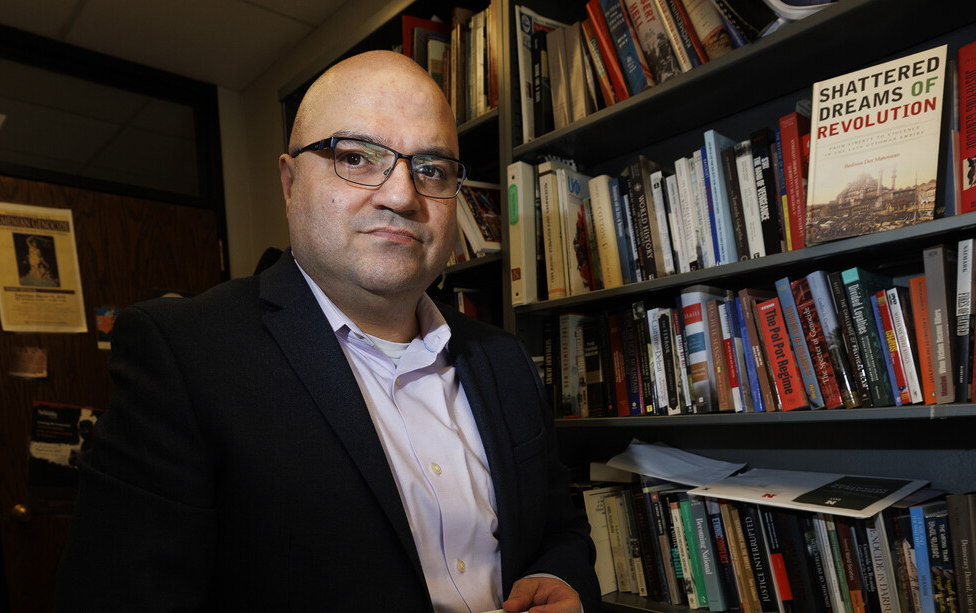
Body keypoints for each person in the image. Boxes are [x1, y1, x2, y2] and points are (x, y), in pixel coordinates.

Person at [55, 50, 599, 612]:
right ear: (290, 183)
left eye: (431, 169)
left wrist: (564, 582)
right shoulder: (183, 354)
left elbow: (560, 526)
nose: (401, 195)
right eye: (358, 157)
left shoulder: (505, 358)